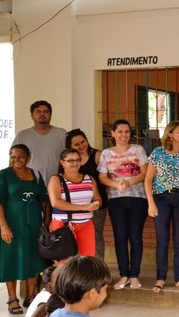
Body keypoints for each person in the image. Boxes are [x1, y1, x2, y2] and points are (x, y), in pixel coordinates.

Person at [145, 121, 179, 293]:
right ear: (170, 133)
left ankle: (178, 278)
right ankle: (160, 278)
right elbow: (147, 180)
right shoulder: (158, 153)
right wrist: (150, 203)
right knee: (162, 240)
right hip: (160, 198)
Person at [0, 144, 48, 314]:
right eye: (12, 156)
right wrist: (3, 226)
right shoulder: (3, 175)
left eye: (20, 156)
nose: (16, 160)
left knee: (33, 259)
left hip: (33, 225)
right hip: (12, 226)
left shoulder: (36, 175)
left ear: (28, 157)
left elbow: (44, 200)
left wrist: (45, 223)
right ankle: (12, 298)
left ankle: (30, 296)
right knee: (11, 259)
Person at [98, 120, 149, 289]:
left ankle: (134, 275)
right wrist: (116, 185)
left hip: (138, 198)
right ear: (112, 133)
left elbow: (144, 173)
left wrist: (128, 183)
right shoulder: (106, 153)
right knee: (120, 238)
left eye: (127, 132)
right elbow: (103, 177)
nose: (123, 135)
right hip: (116, 199)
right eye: (119, 131)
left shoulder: (138, 150)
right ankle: (124, 275)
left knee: (135, 237)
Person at [48, 148, 102, 257]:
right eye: (70, 160)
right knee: (64, 262)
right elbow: (56, 203)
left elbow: (98, 198)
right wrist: (83, 207)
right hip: (63, 225)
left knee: (86, 260)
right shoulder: (56, 179)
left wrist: (96, 204)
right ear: (62, 162)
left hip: (86, 224)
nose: (75, 163)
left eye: (77, 160)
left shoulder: (89, 178)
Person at [66, 128, 109, 260]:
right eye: (76, 144)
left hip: (97, 205)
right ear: (70, 146)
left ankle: (98, 270)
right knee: (76, 236)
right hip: (75, 206)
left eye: (83, 142)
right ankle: (81, 271)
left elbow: (107, 177)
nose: (81, 146)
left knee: (96, 235)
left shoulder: (97, 155)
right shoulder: (69, 160)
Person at [12, 100, 67, 181]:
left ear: (50, 115)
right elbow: (13, 161)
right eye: (38, 112)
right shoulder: (22, 136)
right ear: (32, 115)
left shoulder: (62, 134)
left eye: (46, 112)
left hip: (58, 183)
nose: (42, 114)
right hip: (31, 184)